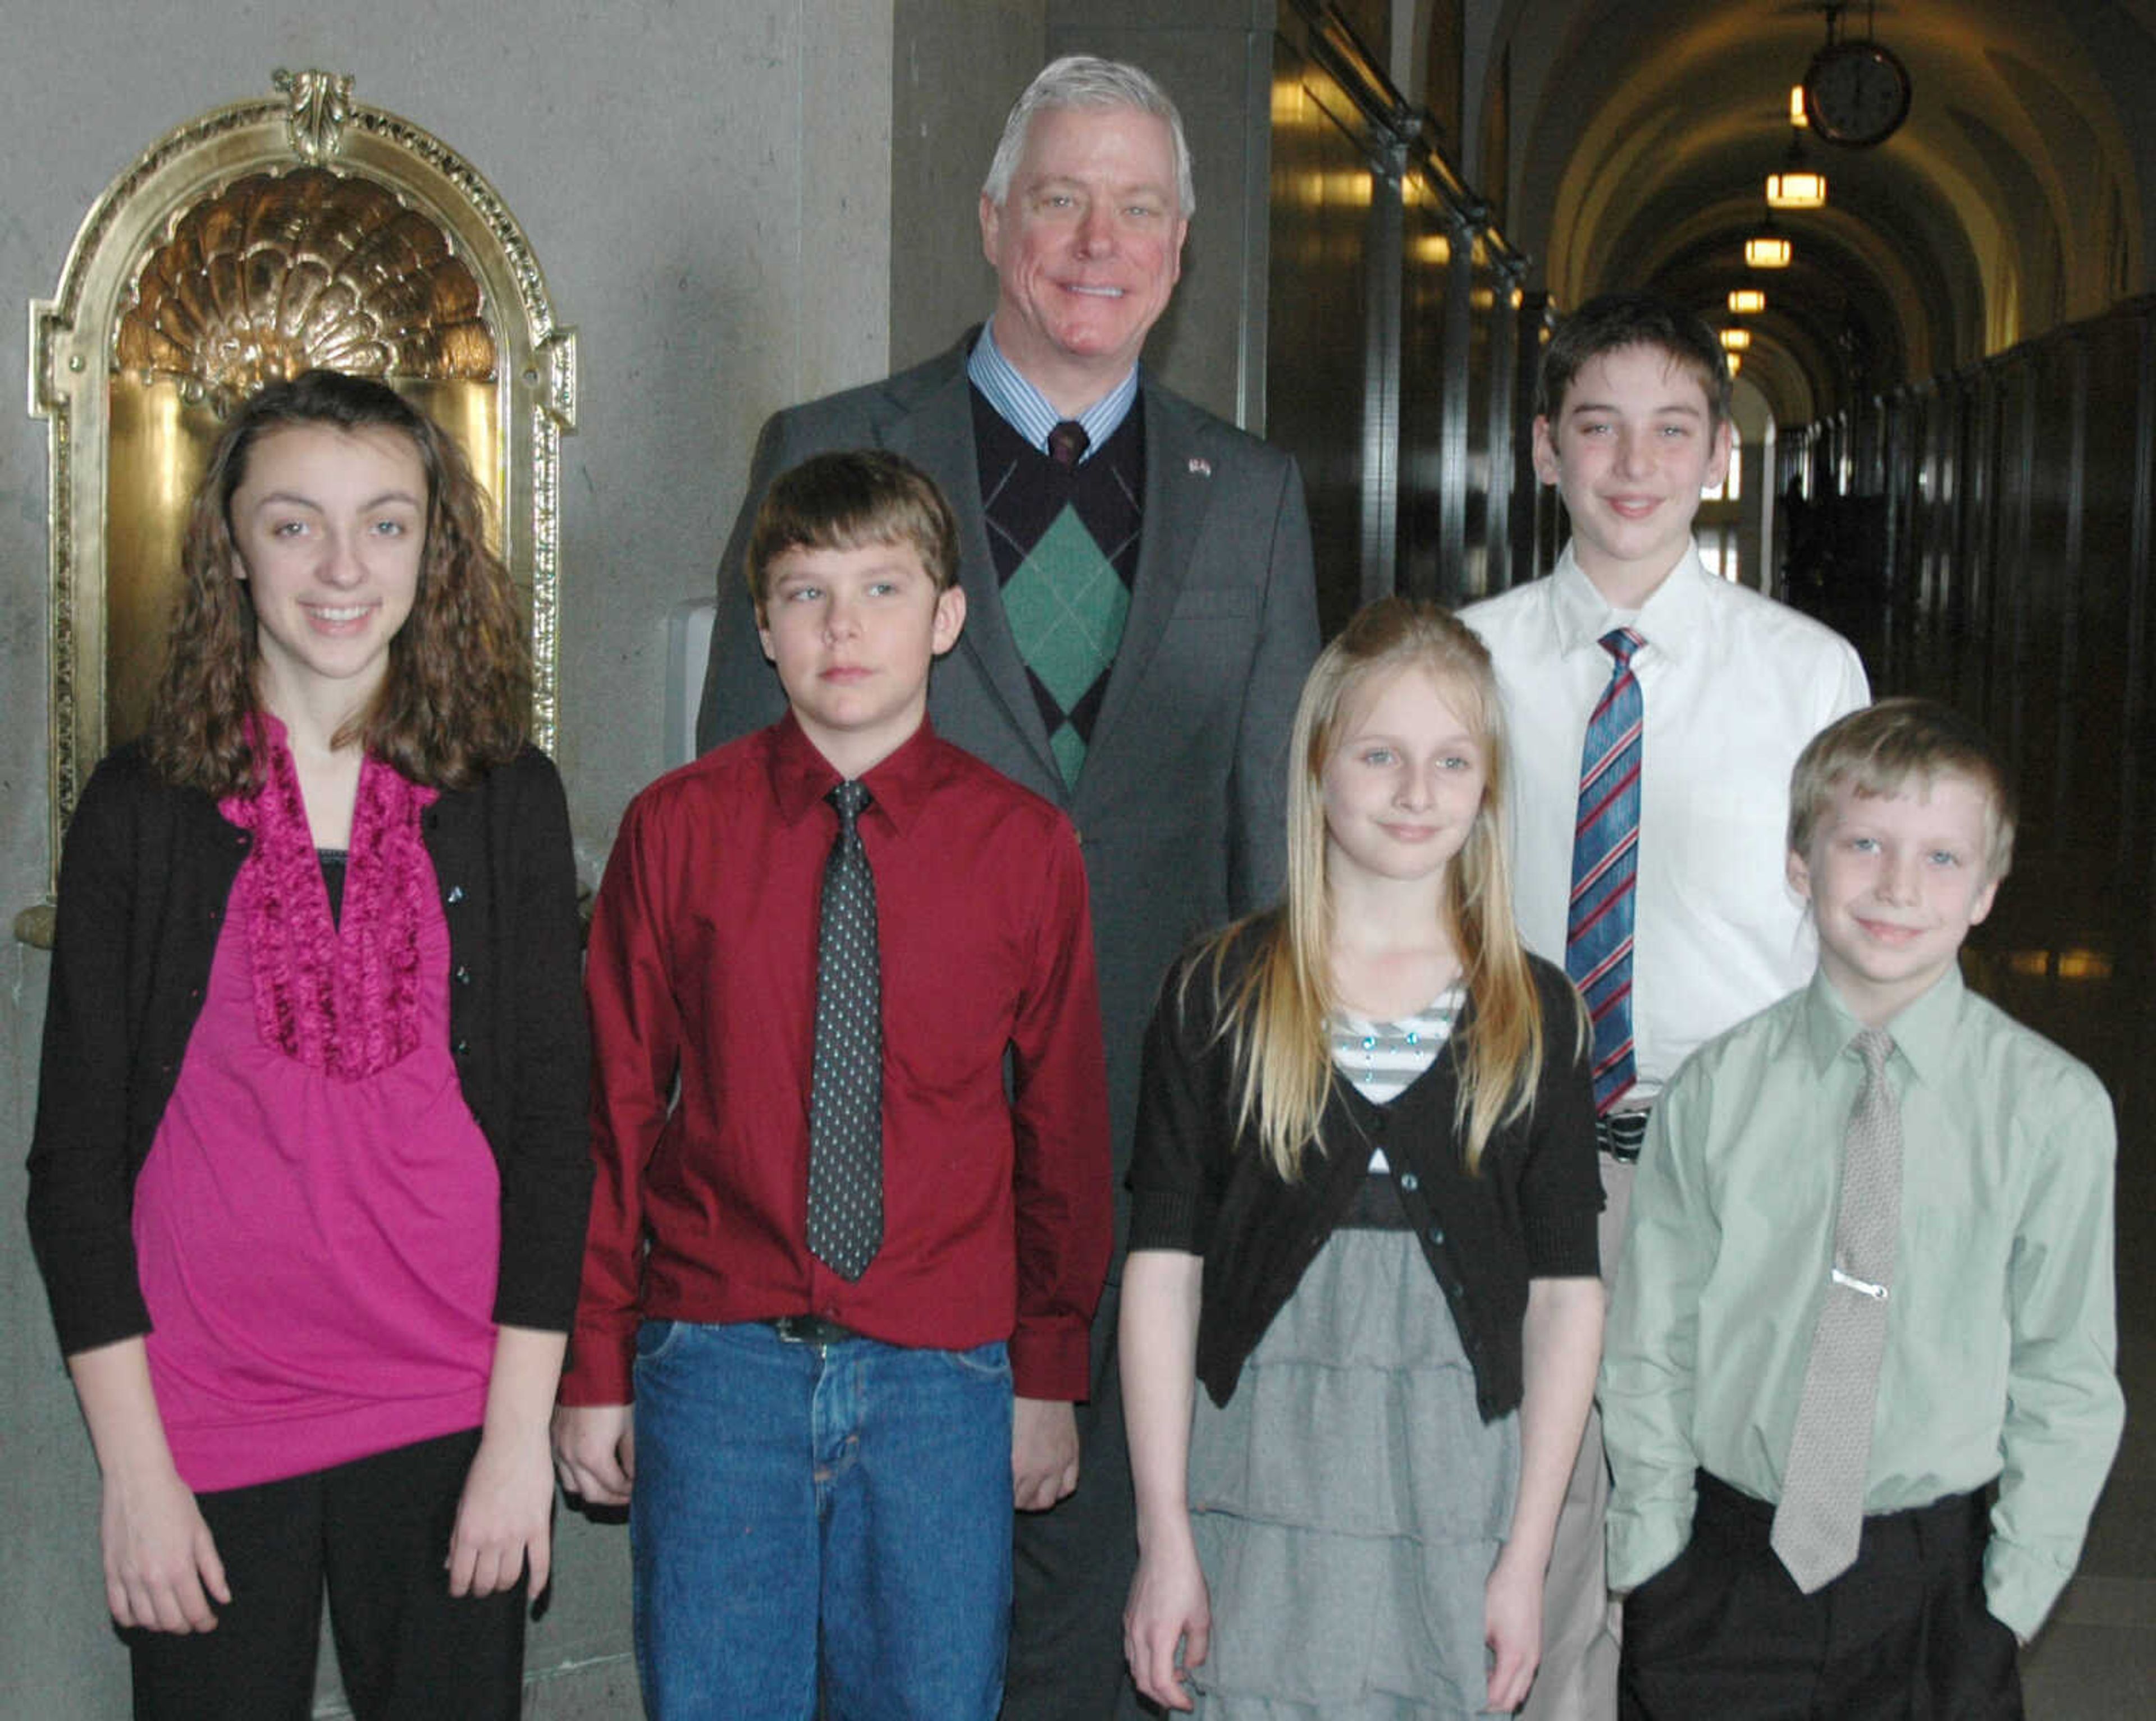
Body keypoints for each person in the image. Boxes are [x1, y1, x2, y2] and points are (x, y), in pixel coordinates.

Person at [694, 54, 1320, 1717]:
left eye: (1137, 209)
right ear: (991, 222)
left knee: (1093, 1612)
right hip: (868, 1185)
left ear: (1185, 249)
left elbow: (1276, 859)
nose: (1095, 241)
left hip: (1138, 1160)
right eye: (1059, 196)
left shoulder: (1250, 500)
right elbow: (731, 841)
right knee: (857, 1635)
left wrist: (1265, 1152)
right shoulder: (830, 450)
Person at [25, 369, 592, 1720]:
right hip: (209, 1426)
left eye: (385, 524)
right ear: (229, 544)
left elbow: (555, 1144)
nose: (344, 568)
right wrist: (136, 1471)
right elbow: (72, 1174)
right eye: (295, 525)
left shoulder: (509, 796)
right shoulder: (141, 804)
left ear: (432, 547)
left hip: (453, 1412)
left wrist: (519, 1441)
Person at [554, 450, 1112, 1718]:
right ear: (762, 626)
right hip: (715, 1369)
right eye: (806, 593)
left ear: (948, 616)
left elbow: (1064, 1134)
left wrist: (1049, 1373)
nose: (844, 626)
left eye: (882, 588)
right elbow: (614, 1115)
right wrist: (594, 1368)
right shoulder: (675, 828)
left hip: (945, 1380)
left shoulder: (1026, 848)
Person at [1458, 291, 1869, 1720]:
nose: (1634, 466)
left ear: (1716, 460)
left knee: (1712, 1548)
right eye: (1598, 429)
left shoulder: (1808, 675)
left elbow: (1858, 950)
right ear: (1543, 450)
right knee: (1536, 1534)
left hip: (1724, 1167)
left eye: (1672, 432)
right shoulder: (1468, 663)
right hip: (1514, 1154)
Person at [1120, 598, 1604, 1717]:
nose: (1415, 791)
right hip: (1259, 1470)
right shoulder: (1218, 993)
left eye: (1450, 760)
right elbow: (1164, 1273)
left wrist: (1527, 1559)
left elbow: (1567, 1299)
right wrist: (1164, 1534)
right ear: (1318, 766)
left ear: (1486, 786)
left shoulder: (1539, 1015)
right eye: (1379, 755)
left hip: (1460, 1479)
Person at [1601, 698, 2124, 1717]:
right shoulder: (1714, 1090)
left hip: (1937, 1583)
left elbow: (2067, 1373)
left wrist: (2010, 1597)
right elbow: (1652, 1336)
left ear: (1986, 890)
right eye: (1866, 842)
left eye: (1941, 858)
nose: (1896, 884)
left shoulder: (2052, 1110)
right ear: (1802, 863)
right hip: (1724, 1570)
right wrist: (1654, 1555)